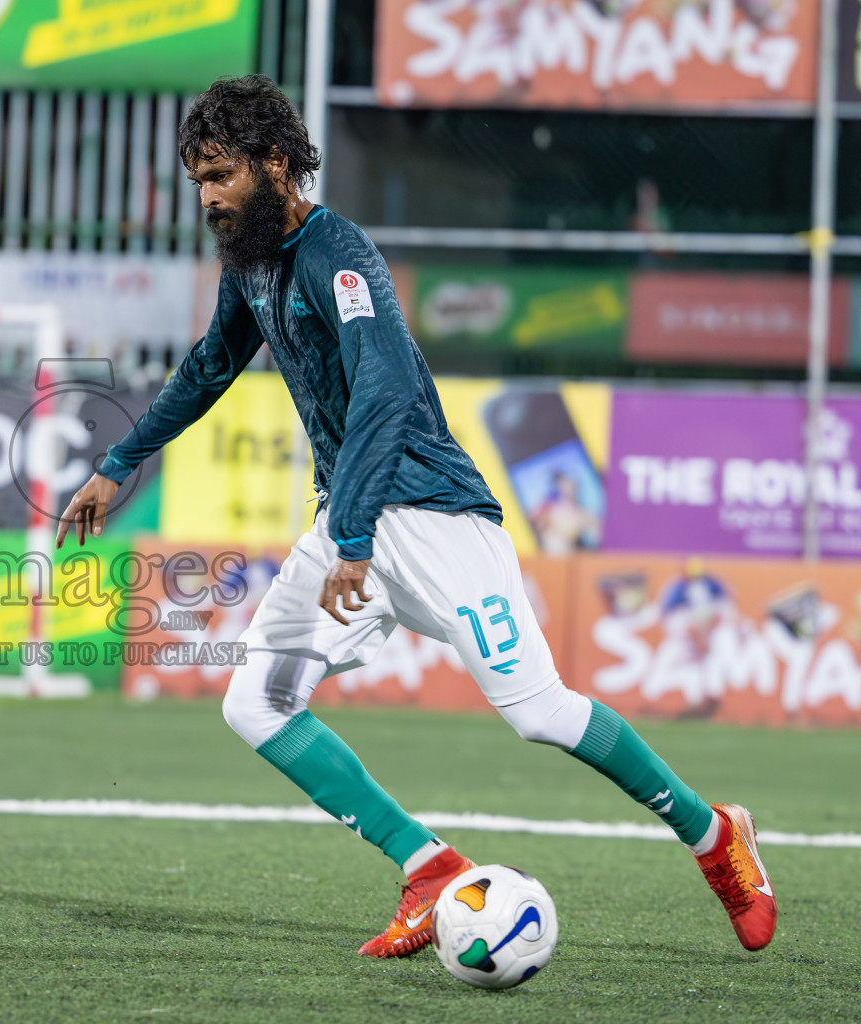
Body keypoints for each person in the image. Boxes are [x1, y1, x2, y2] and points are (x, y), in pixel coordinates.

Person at [56, 75, 776, 958]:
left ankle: (714, 838)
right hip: (351, 524)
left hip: (432, 519)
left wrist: (353, 534)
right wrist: (119, 463)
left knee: (539, 711)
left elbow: (388, 395)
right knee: (256, 705)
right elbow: (210, 366)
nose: (206, 196)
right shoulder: (247, 262)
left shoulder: (339, 253)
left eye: (220, 175)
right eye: (198, 178)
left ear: (276, 164)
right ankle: (427, 868)